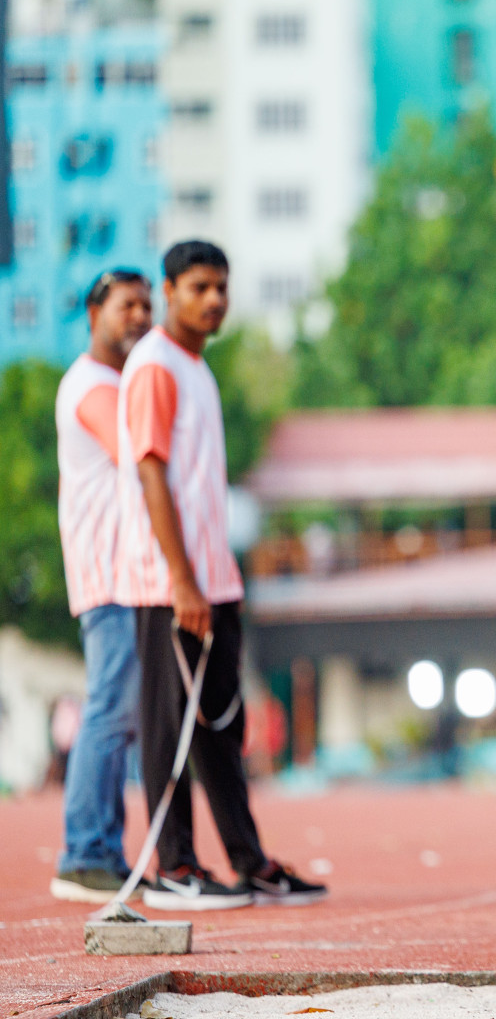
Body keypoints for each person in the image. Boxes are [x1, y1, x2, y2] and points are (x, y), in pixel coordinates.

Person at [116, 241, 327, 908]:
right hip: (168, 584)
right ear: (169, 290)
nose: (214, 300)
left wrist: (210, 579)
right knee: (169, 725)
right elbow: (150, 472)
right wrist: (181, 581)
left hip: (216, 579)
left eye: (222, 288)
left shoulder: (197, 368)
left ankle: (248, 861)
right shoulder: (155, 365)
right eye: (199, 287)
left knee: (220, 729)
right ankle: (174, 867)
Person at [50, 269, 152, 903]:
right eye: (126, 306)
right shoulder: (92, 384)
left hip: (126, 574)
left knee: (121, 713)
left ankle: (102, 850)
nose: (140, 316)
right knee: (111, 710)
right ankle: (86, 851)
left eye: (146, 305)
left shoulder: (113, 383)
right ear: (94, 314)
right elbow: (134, 452)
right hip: (108, 572)